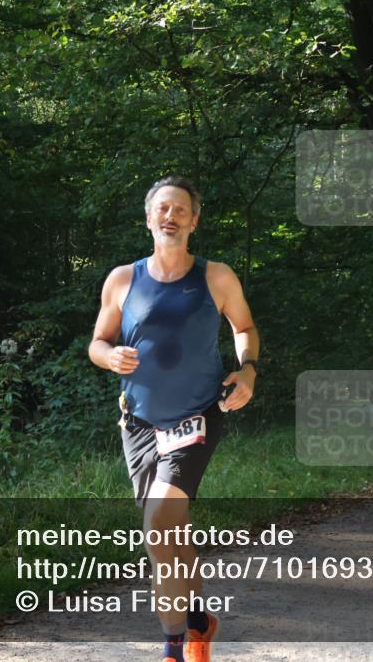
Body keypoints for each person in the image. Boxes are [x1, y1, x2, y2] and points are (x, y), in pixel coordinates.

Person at [89, 176, 258, 662]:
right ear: (148, 218)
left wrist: (248, 368)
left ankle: (172, 648)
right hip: (139, 426)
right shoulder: (122, 279)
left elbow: (244, 327)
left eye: (180, 210)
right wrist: (109, 357)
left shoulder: (216, 277)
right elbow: (97, 342)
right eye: (162, 208)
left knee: (158, 526)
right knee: (174, 534)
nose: (170, 216)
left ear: (194, 221)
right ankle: (199, 621)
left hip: (196, 418)